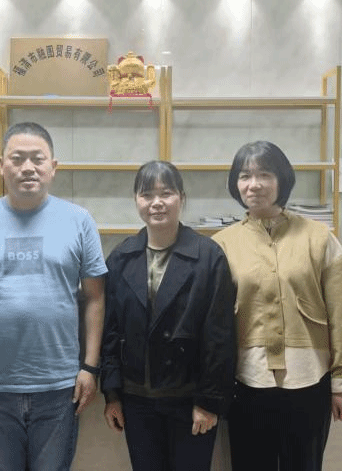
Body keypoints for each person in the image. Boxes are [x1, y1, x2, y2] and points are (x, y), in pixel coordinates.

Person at [0, 121, 107, 471]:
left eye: (38, 158)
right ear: (1, 165)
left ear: (54, 166)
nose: (28, 167)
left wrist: (89, 367)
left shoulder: (79, 220)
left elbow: (95, 298)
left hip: (60, 387)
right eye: (17, 158)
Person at [211, 141, 342, 471]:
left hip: (309, 379)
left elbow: (341, 315)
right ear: (235, 183)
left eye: (265, 174)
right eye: (245, 176)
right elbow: (215, 326)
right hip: (247, 381)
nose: (254, 184)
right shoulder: (221, 245)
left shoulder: (319, 238)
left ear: (283, 180)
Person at [100, 161, 236, 471]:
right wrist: (112, 394)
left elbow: (220, 336)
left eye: (166, 193)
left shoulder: (208, 256)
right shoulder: (121, 257)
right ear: (136, 200)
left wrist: (208, 402)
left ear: (182, 199)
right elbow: (111, 331)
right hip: (136, 401)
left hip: (190, 401)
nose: (157, 202)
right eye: (147, 194)